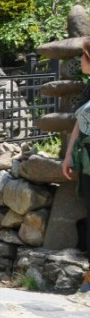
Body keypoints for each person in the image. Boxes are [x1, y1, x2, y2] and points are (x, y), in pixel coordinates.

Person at [62, 38, 90, 293]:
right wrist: (69, 155)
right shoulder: (88, 88)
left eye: (83, 55)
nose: (80, 60)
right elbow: (78, 125)